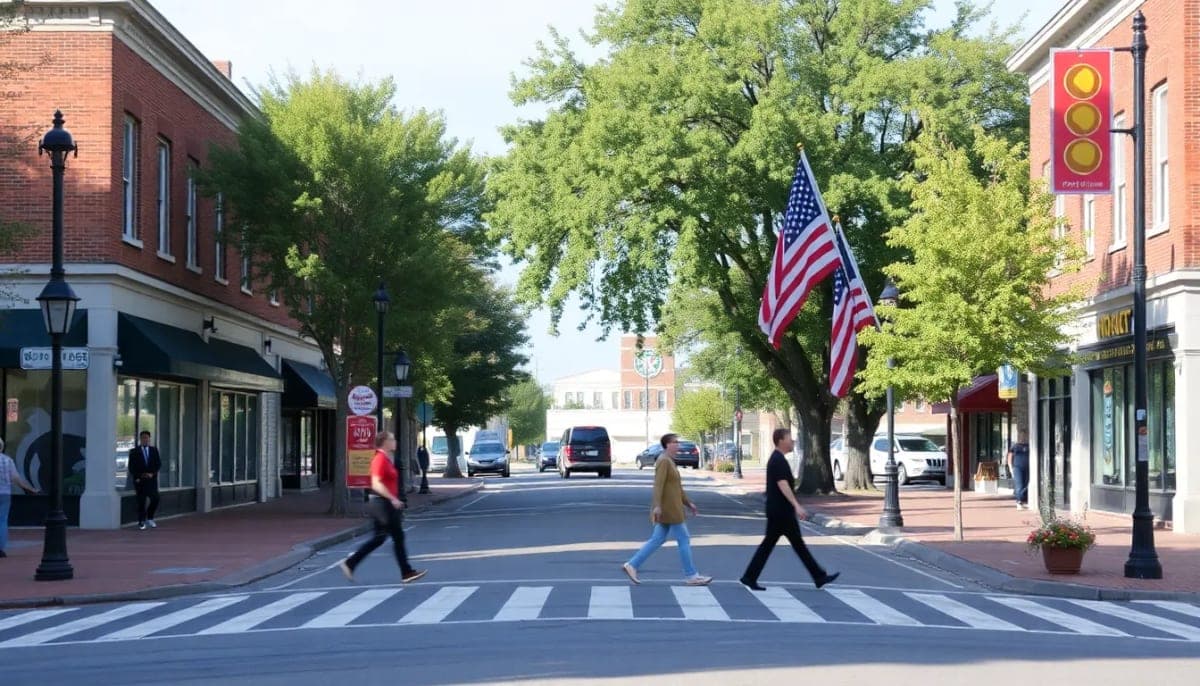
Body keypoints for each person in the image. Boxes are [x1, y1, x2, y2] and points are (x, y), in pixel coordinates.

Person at [740, 428, 839, 591]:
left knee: (785, 544)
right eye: (789, 438)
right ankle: (818, 576)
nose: (792, 441)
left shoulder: (778, 459)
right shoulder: (777, 460)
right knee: (785, 544)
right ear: (780, 441)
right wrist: (796, 505)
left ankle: (818, 576)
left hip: (779, 510)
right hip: (780, 511)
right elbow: (782, 484)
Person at [622, 433, 712, 586]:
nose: (677, 445)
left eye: (677, 442)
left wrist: (688, 503)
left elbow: (676, 487)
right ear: (667, 445)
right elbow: (658, 485)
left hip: (671, 508)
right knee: (683, 539)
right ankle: (691, 575)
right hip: (668, 509)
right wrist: (657, 506)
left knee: (658, 539)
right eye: (674, 442)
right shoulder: (663, 461)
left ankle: (632, 564)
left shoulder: (669, 461)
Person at [340, 431, 427, 583]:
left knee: (383, 538)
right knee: (393, 537)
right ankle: (406, 572)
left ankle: (351, 563)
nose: (395, 441)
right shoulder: (379, 459)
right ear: (385, 442)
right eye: (392, 439)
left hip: (385, 503)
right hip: (382, 504)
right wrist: (393, 498)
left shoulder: (387, 459)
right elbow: (376, 483)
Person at [1, 437, 39, 558]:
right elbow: (16, 479)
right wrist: (31, 489)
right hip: (5, 494)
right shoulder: (7, 461)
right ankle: (0, 548)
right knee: (2, 521)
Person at [129, 430, 162, 530]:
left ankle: (150, 517)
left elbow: (158, 464)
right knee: (141, 501)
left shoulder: (154, 450)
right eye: (143, 438)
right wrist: (140, 475)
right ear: (140, 439)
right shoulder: (134, 452)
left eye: (147, 438)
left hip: (151, 480)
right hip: (140, 481)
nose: (145, 440)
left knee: (155, 498)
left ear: (149, 439)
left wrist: (152, 473)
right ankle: (141, 521)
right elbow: (131, 467)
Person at [1007, 430, 1031, 510]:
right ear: (1018, 437)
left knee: (1026, 484)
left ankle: (1021, 499)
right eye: (1021, 436)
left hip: (1028, 468)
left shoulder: (1029, 446)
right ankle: (1019, 501)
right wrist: (1011, 469)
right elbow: (1010, 458)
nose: (1023, 437)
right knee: (1019, 485)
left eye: (1025, 435)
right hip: (1017, 468)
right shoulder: (1014, 447)